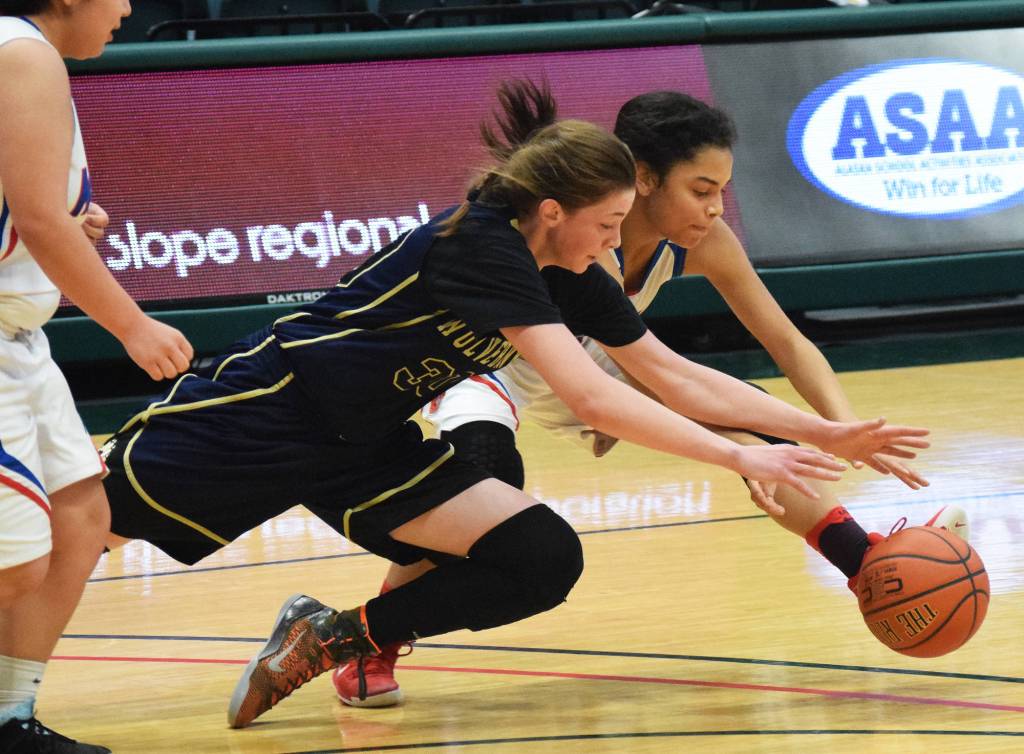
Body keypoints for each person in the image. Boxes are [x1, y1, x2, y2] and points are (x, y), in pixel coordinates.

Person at [97, 80, 927, 730]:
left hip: (373, 438)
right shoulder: (485, 244)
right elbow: (596, 393)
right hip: (294, 409)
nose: (617, 241)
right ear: (567, 207)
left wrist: (828, 431)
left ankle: (336, 639)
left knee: (540, 555)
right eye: (610, 222)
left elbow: (672, 374)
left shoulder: (583, 263)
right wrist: (741, 451)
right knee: (87, 530)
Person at [330, 89, 965, 708]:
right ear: (643, 177)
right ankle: (371, 637)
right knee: (482, 500)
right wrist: (747, 445)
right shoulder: (584, 241)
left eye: (722, 191)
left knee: (763, 432)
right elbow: (643, 384)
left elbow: (789, 343)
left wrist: (847, 429)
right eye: (701, 189)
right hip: (496, 370)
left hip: (600, 371)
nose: (715, 208)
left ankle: (865, 563)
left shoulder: (705, 241)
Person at [0, 2, 194, 751]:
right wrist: (132, 326)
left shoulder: (24, 52)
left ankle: (8, 719)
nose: (127, 8)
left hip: (20, 336)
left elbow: (35, 215)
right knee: (15, 566)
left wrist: (59, 221)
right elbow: (39, 222)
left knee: (79, 521)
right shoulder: (22, 54)